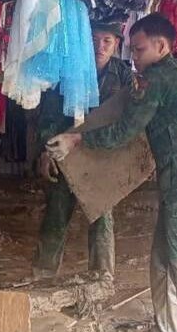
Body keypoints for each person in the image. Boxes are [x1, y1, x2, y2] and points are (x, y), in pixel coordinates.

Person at [47, 14, 177, 332]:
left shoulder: (160, 79)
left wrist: (78, 140)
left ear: (161, 47)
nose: (134, 57)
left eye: (139, 49)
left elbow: (126, 129)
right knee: (161, 260)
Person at [33, 21, 133, 278]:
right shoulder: (68, 72)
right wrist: (46, 151)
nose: (99, 46)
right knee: (56, 214)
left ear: (116, 45)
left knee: (102, 217)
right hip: (67, 155)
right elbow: (48, 117)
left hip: (102, 155)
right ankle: (43, 274)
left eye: (106, 41)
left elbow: (130, 120)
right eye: (94, 39)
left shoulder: (123, 76)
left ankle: (102, 277)